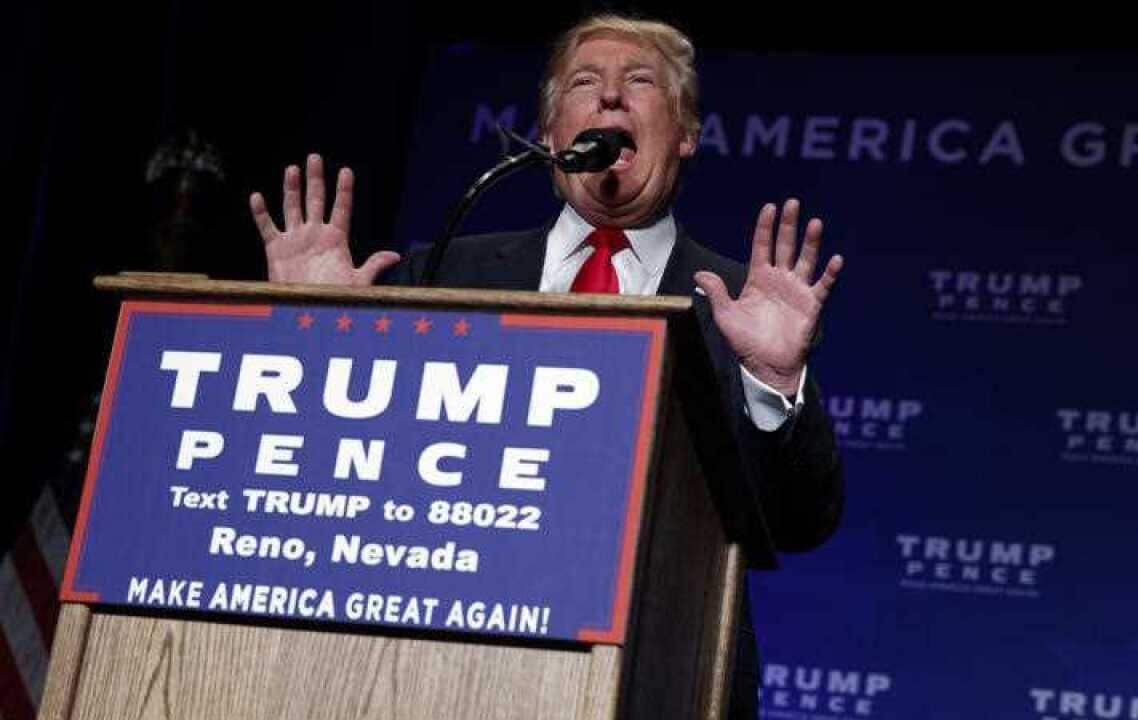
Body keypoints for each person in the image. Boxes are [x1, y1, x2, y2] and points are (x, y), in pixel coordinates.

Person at [249, 13, 844, 718]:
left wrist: (772, 384)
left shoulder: (739, 307)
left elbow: (801, 522)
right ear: (554, 135)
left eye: (641, 81)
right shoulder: (444, 274)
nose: (612, 97)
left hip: (662, 679)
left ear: (685, 133)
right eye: (586, 82)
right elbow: (340, 471)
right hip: (446, 667)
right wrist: (315, 343)